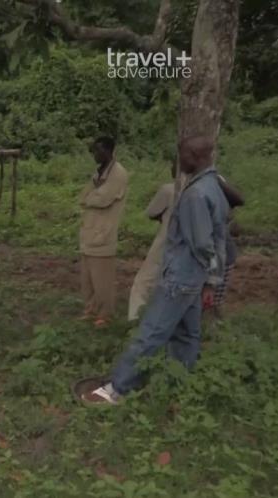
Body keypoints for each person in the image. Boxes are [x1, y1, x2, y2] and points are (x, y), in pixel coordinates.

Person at [84, 136, 229, 404]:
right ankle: (178, 383)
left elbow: (203, 244)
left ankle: (117, 389)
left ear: (195, 156)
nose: (179, 161)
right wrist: (211, 279)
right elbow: (220, 236)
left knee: (151, 331)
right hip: (195, 278)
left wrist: (201, 273)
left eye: (183, 155)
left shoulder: (195, 194)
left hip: (181, 276)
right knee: (187, 334)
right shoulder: (214, 185)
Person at [78, 136, 128, 327]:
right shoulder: (99, 173)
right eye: (93, 151)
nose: (95, 155)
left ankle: (105, 314)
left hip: (104, 232)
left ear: (109, 151)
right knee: (87, 277)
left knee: (102, 279)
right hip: (89, 230)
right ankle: (90, 310)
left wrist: (92, 195)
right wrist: (92, 194)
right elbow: (83, 197)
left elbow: (101, 199)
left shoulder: (118, 174)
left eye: (98, 151)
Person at [127, 163, 176, 321]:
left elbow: (152, 213)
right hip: (190, 248)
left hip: (166, 243)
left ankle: (135, 320)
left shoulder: (169, 189)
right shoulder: (202, 189)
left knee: (143, 284)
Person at [212, 175, 245, 314]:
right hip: (217, 254)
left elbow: (238, 200)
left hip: (220, 256)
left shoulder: (213, 181)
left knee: (213, 304)